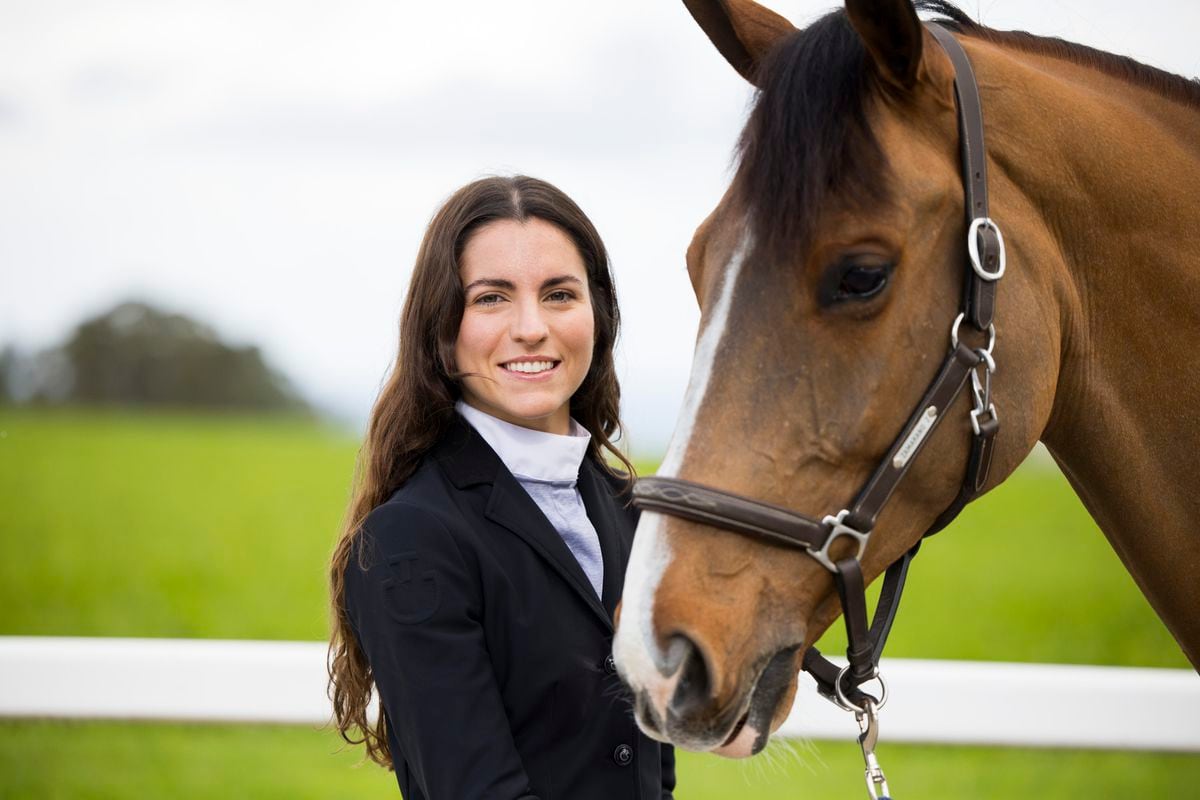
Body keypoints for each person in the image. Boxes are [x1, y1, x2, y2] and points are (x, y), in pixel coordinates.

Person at [328, 175, 675, 800]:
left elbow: (653, 776)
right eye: (492, 298)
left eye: (559, 294)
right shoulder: (409, 541)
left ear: (598, 314)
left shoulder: (630, 514)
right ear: (442, 325)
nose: (531, 327)